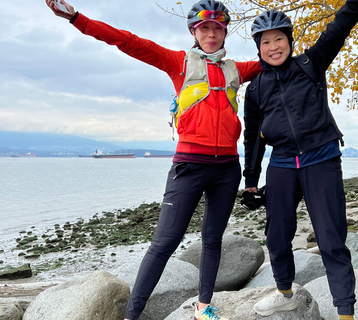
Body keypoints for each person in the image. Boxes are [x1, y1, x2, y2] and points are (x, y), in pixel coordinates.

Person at [46, 0, 262, 319]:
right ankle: (133, 315)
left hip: (227, 170)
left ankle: (204, 306)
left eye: (217, 28)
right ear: (194, 31)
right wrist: (77, 19)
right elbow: (128, 41)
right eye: (205, 28)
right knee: (164, 243)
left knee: (213, 239)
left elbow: (275, 58)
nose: (212, 34)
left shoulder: (236, 70)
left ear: (225, 32)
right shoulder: (178, 62)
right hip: (188, 166)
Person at [242, 1, 358, 319]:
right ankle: (284, 292)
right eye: (266, 41)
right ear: (259, 48)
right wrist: (251, 181)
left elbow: (341, 25)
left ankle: (345, 312)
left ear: (289, 40)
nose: (273, 47)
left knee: (330, 238)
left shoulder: (310, 63)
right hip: (282, 163)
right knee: (277, 235)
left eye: (279, 39)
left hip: (321, 159)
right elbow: (253, 138)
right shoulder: (256, 88)